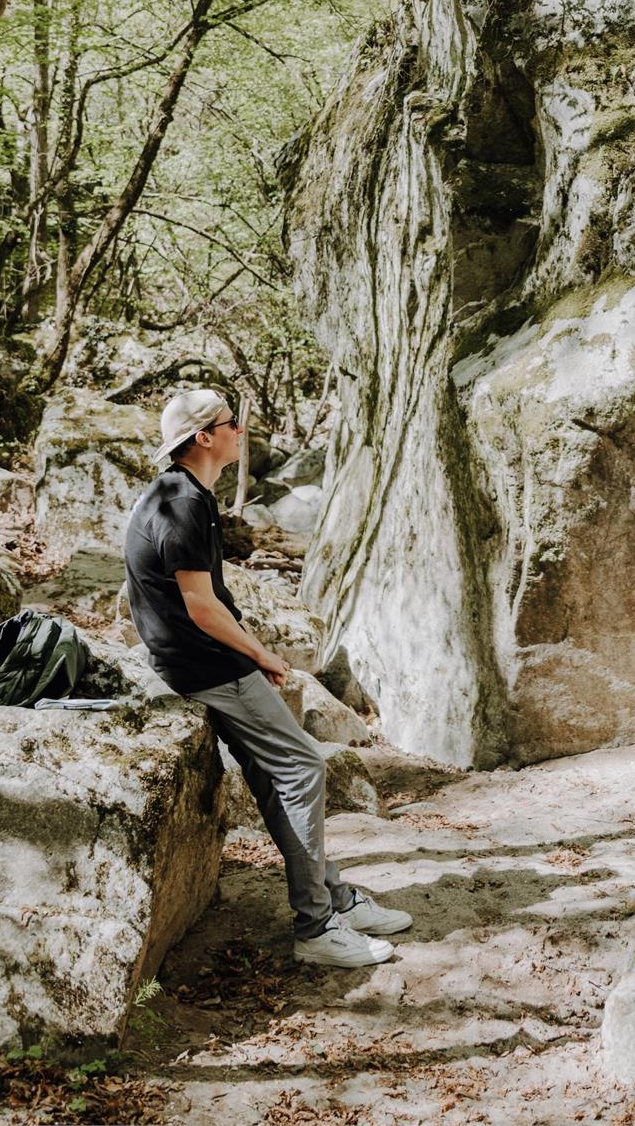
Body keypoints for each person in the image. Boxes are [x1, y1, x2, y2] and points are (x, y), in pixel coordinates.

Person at [123, 387, 410, 968]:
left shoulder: (179, 494)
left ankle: (331, 897)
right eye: (231, 423)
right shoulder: (181, 504)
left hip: (196, 660)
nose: (240, 431)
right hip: (207, 667)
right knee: (304, 766)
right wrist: (262, 654)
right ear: (203, 438)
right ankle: (317, 926)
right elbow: (201, 607)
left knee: (274, 774)